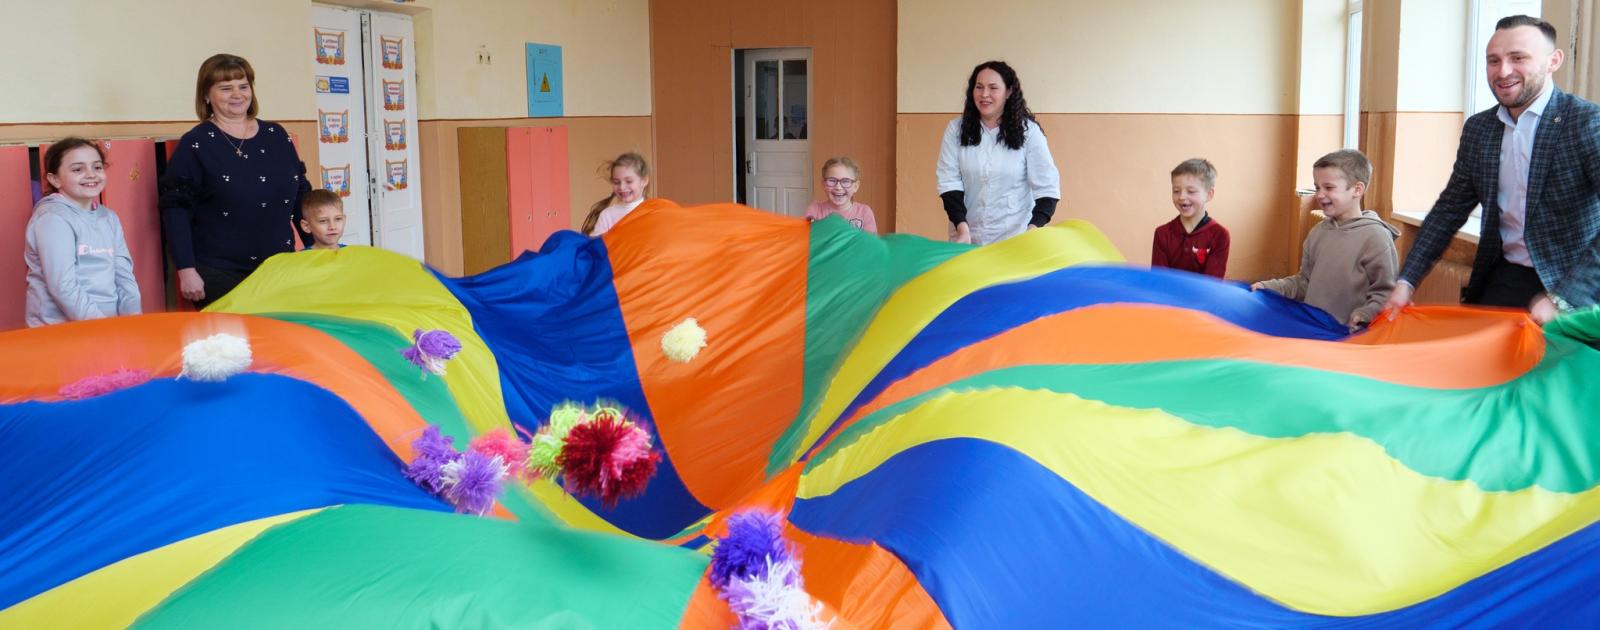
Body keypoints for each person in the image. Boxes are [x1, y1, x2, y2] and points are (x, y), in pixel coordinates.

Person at [1384, 15, 1600, 325]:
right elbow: (1449, 210)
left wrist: (1565, 297)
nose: (1503, 71)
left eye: (1518, 58)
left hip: (1581, 285)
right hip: (1506, 279)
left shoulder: (1587, 122)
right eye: (1493, 60)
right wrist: (1406, 281)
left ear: (1554, 61)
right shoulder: (1479, 129)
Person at [160, 53, 312, 308]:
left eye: (243, 86)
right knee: (236, 346)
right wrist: (186, 269)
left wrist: (314, 247)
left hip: (279, 268)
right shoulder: (196, 143)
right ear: (206, 96)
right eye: (225, 88)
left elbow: (301, 195)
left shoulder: (276, 135)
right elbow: (176, 211)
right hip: (219, 272)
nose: (237, 94)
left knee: (279, 342)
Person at [1252, 150, 1398, 331]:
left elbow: (1386, 293)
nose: (1320, 194)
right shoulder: (1317, 233)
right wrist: (1269, 287)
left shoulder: (1376, 238)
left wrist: (1366, 313)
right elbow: (1304, 283)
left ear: (1357, 189)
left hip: (1350, 339)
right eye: (1317, 187)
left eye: (1328, 188)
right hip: (1313, 331)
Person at [936, 60, 1061, 245]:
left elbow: (1047, 190)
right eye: (979, 87)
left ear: (1009, 92)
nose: (984, 94)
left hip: (1014, 242)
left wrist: (1031, 231)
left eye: (993, 88)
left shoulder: (1029, 132)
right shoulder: (956, 130)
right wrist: (962, 228)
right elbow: (949, 183)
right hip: (966, 240)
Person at [24, 138, 141, 327]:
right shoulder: (53, 218)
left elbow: (124, 275)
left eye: (97, 167)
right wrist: (102, 326)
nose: (91, 175)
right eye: (78, 169)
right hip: (60, 329)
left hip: (105, 326)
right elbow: (63, 286)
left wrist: (133, 318)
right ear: (55, 179)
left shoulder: (109, 217)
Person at [1151, 158, 1230, 278]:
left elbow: (1212, 284)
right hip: (1168, 296)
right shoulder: (1162, 234)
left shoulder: (1220, 235)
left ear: (1209, 195)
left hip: (1202, 297)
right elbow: (1159, 280)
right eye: (1176, 191)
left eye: (1191, 191)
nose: (1182, 197)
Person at [582, 153, 651, 237]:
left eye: (629, 181)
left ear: (644, 181)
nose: (622, 187)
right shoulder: (607, 215)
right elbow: (597, 246)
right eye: (616, 182)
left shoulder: (653, 211)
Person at [804, 157, 878, 233]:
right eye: (832, 180)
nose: (838, 187)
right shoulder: (814, 210)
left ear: (855, 186)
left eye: (846, 181)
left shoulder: (865, 212)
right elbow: (808, 240)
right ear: (823, 184)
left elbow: (871, 243)